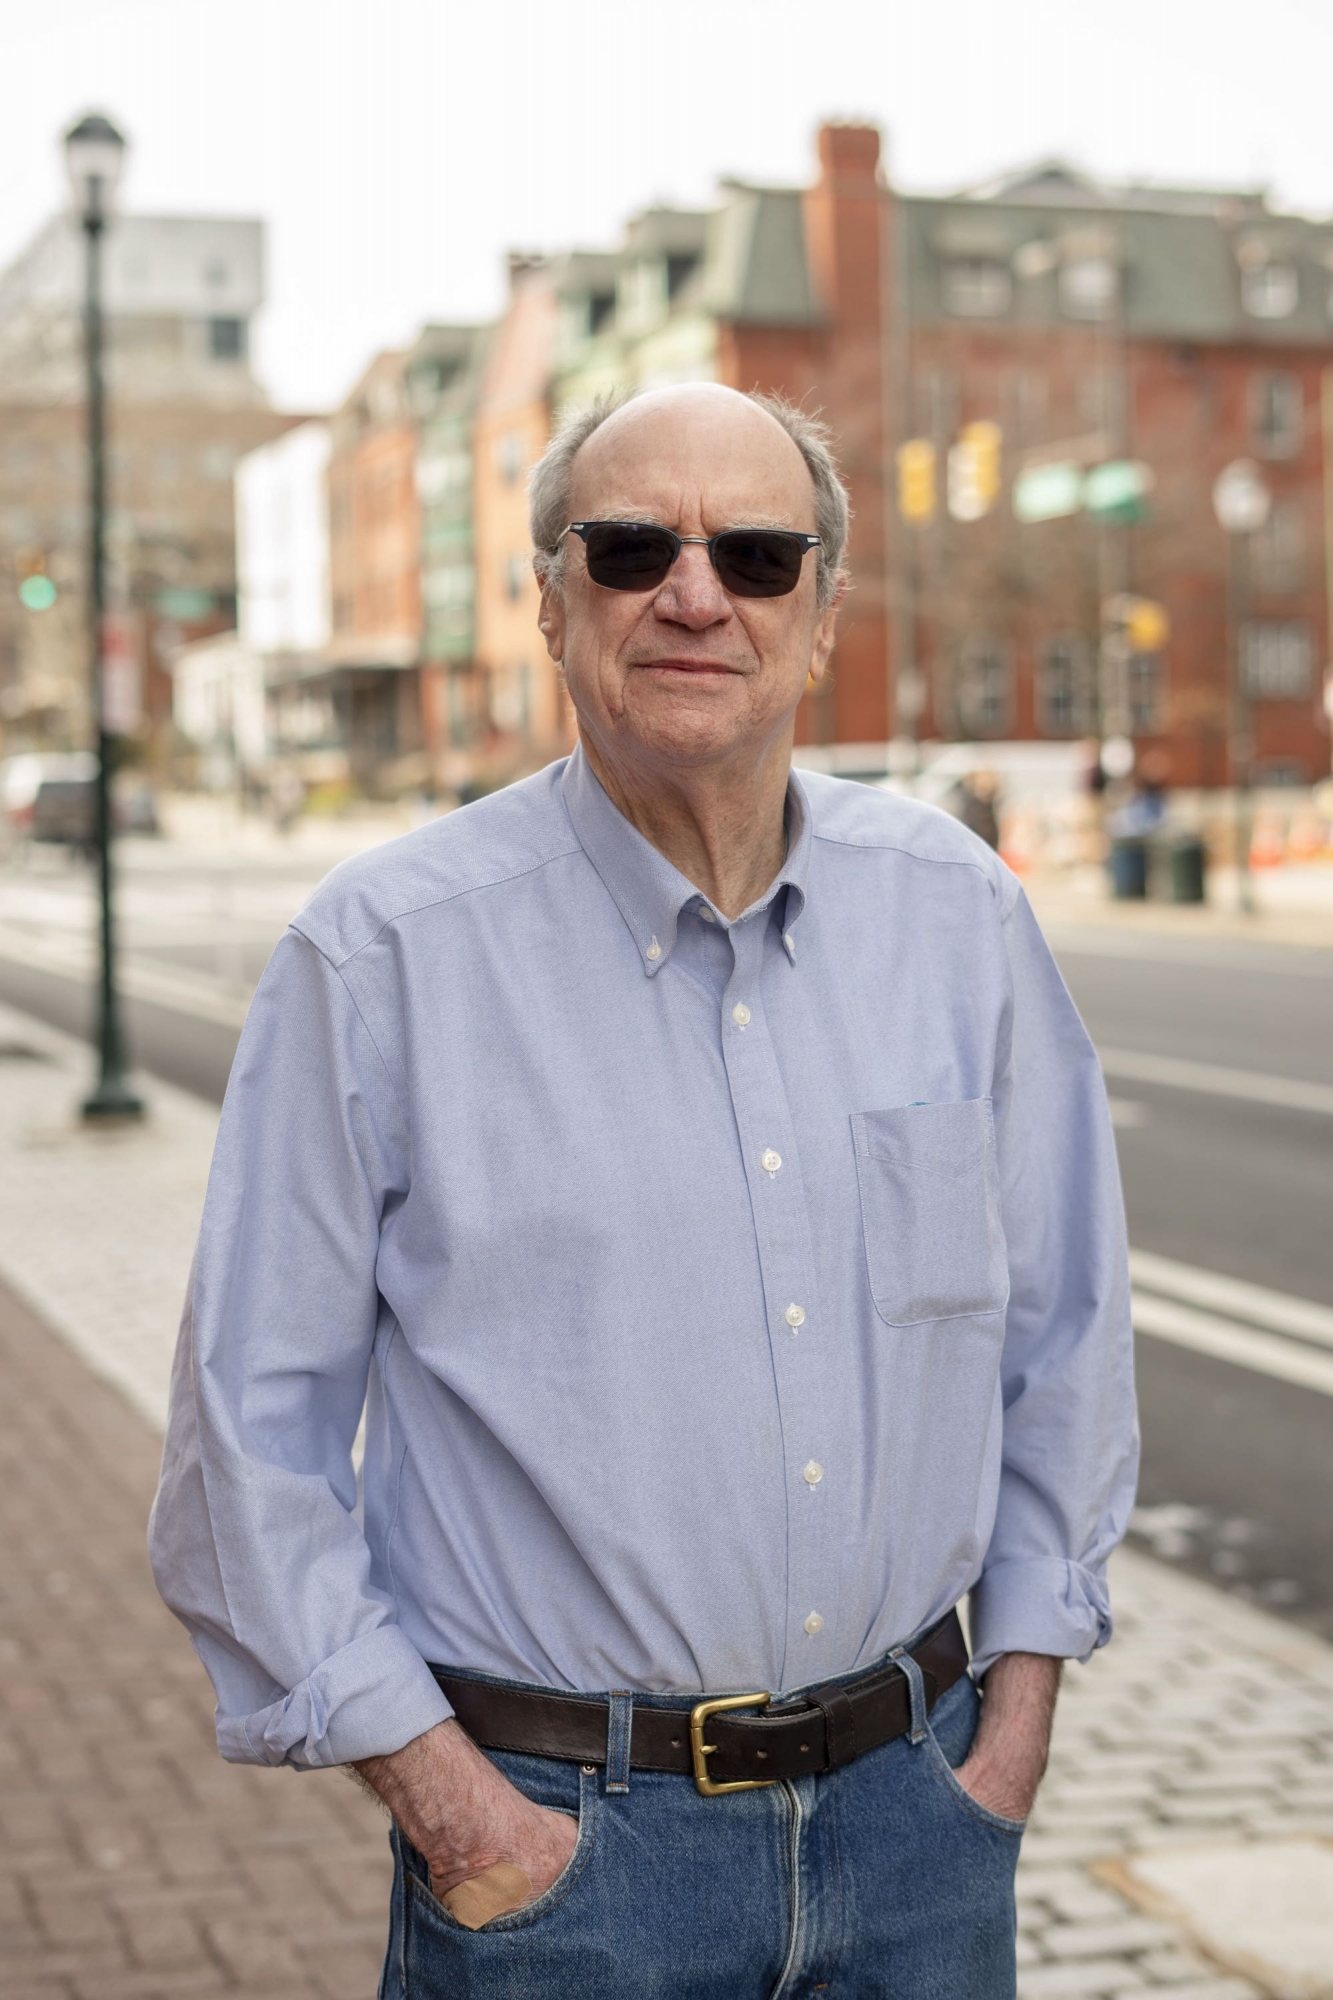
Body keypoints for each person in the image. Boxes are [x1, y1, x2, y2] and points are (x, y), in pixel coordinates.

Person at [149, 385, 1137, 1998]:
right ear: (550, 603)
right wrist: (458, 1813)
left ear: (819, 619)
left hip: (920, 1833)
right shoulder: (382, 956)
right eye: (631, 549)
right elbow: (243, 1441)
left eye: (756, 555)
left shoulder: (957, 919)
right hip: (566, 1871)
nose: (695, 594)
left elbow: (1066, 1342)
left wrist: (1009, 1725)